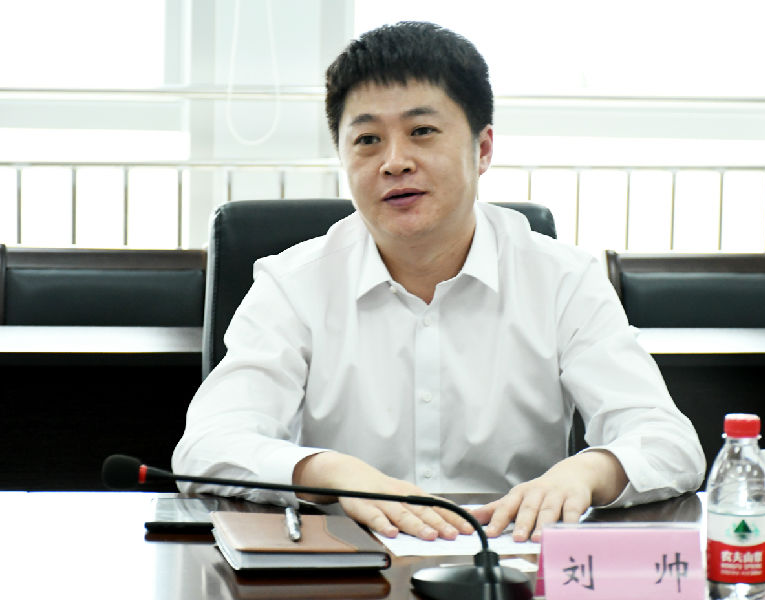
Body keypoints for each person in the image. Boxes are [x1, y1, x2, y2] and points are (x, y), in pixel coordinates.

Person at [173, 21, 705, 543]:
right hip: (347, 565)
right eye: (367, 139)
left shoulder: (563, 279)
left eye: (422, 132)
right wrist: (330, 472)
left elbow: (668, 441)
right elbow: (206, 446)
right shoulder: (293, 284)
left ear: (483, 148)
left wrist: (587, 472)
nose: (394, 162)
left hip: (505, 560)